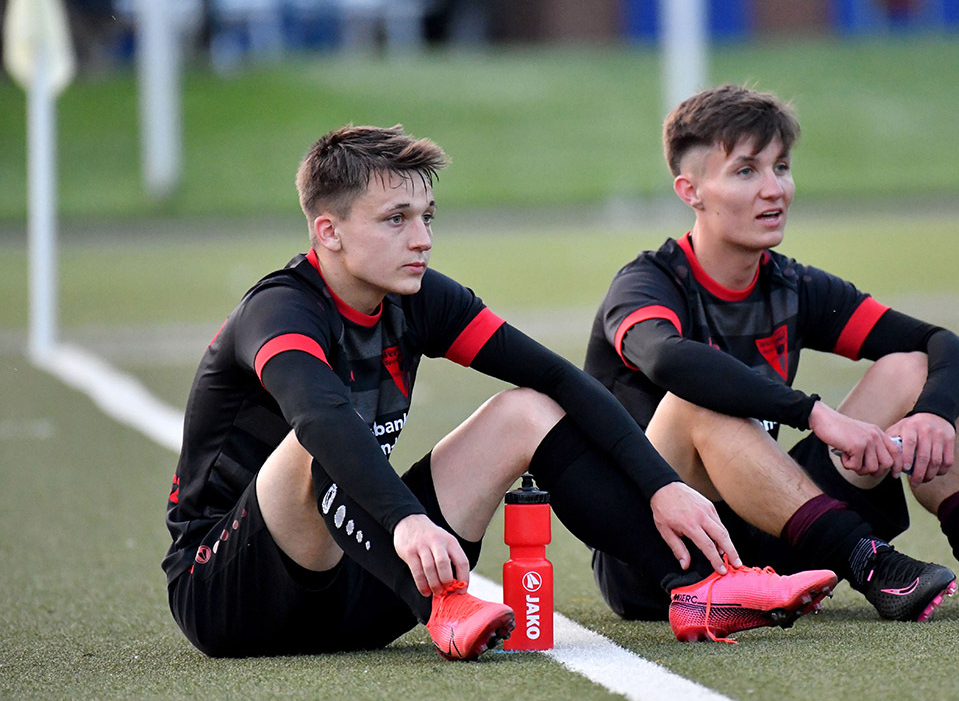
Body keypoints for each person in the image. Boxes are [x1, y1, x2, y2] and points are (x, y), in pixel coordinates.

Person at [163, 123, 840, 660]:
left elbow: (559, 377)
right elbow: (320, 415)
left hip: (358, 590)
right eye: (395, 219)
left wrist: (660, 483)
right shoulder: (279, 312)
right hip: (229, 596)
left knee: (529, 410)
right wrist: (408, 522)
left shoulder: (419, 297)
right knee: (317, 438)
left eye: (427, 216)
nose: (422, 239)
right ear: (329, 232)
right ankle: (446, 605)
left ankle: (693, 588)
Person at [585, 84, 959, 623]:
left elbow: (944, 346)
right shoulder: (647, 284)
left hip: (767, 535)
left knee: (911, 368)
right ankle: (868, 561)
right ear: (690, 191)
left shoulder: (794, 286)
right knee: (691, 402)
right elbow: (669, 361)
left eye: (782, 167)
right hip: (656, 558)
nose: (774, 189)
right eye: (746, 171)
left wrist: (933, 412)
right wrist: (815, 414)